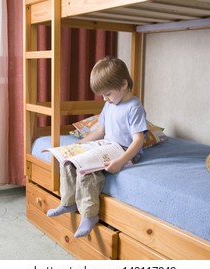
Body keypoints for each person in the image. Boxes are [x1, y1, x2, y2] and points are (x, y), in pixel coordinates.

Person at [46, 57, 148, 238]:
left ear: (123, 84)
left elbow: (138, 140)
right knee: (70, 160)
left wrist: (120, 162)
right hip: (106, 145)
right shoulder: (109, 105)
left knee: (87, 169)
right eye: (103, 95)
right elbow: (101, 131)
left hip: (124, 151)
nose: (105, 99)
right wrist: (78, 144)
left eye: (107, 94)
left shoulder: (134, 107)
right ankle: (69, 201)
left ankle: (89, 215)